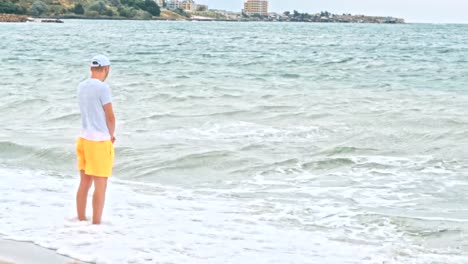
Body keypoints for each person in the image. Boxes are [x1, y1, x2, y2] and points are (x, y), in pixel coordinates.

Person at [75, 55, 115, 225]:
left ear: (91, 68)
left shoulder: (81, 86)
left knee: (84, 182)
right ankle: (96, 225)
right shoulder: (103, 88)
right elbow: (110, 116)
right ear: (106, 69)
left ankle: (80, 220)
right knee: (101, 184)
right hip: (99, 141)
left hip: (83, 139)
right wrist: (111, 135)